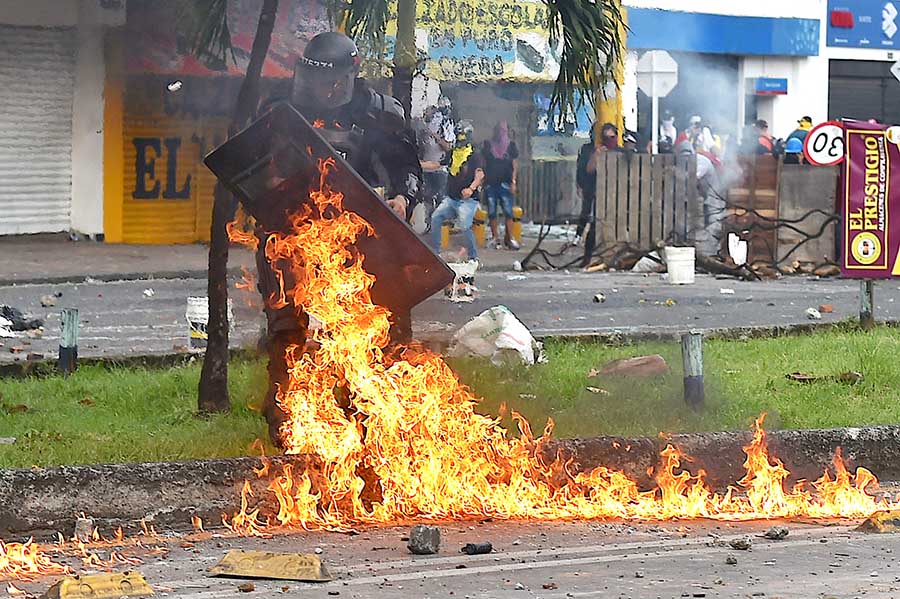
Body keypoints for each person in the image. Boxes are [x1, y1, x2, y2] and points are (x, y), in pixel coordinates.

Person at [254, 31, 423, 446]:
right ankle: (286, 418)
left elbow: (408, 172)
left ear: (351, 73)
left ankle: (372, 418)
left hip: (361, 240)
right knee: (285, 328)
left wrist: (401, 198)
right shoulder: (279, 109)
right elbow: (252, 165)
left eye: (328, 81)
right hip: (293, 236)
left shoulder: (381, 114)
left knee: (382, 325)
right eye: (311, 79)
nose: (319, 90)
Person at [430, 121, 484, 261]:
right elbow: (438, 164)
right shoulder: (453, 153)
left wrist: (471, 188)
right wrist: (418, 164)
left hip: (467, 200)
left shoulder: (474, 155)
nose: (460, 138)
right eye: (458, 135)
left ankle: (473, 257)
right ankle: (435, 253)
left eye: (462, 135)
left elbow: (480, 174)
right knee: (436, 217)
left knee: (464, 225)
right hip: (452, 199)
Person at [678, 141, 724, 257]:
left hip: (714, 197)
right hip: (705, 198)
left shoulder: (701, 162)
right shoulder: (688, 162)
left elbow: (692, 178)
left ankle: (714, 255)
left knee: (714, 226)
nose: (686, 159)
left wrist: (675, 173)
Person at [414, 103, 454, 231]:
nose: (427, 113)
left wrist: (434, 135)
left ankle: (442, 229)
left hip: (439, 169)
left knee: (441, 199)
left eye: (430, 110)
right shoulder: (422, 127)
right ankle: (430, 225)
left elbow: (448, 147)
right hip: (425, 168)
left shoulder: (444, 125)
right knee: (427, 198)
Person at [482, 121, 520, 250]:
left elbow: (515, 164)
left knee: (508, 212)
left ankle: (510, 238)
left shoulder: (511, 146)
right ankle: (495, 238)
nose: (501, 132)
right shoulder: (488, 145)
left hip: (506, 183)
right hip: (490, 183)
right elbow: (483, 163)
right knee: (492, 212)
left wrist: (514, 182)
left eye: (504, 130)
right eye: (499, 129)